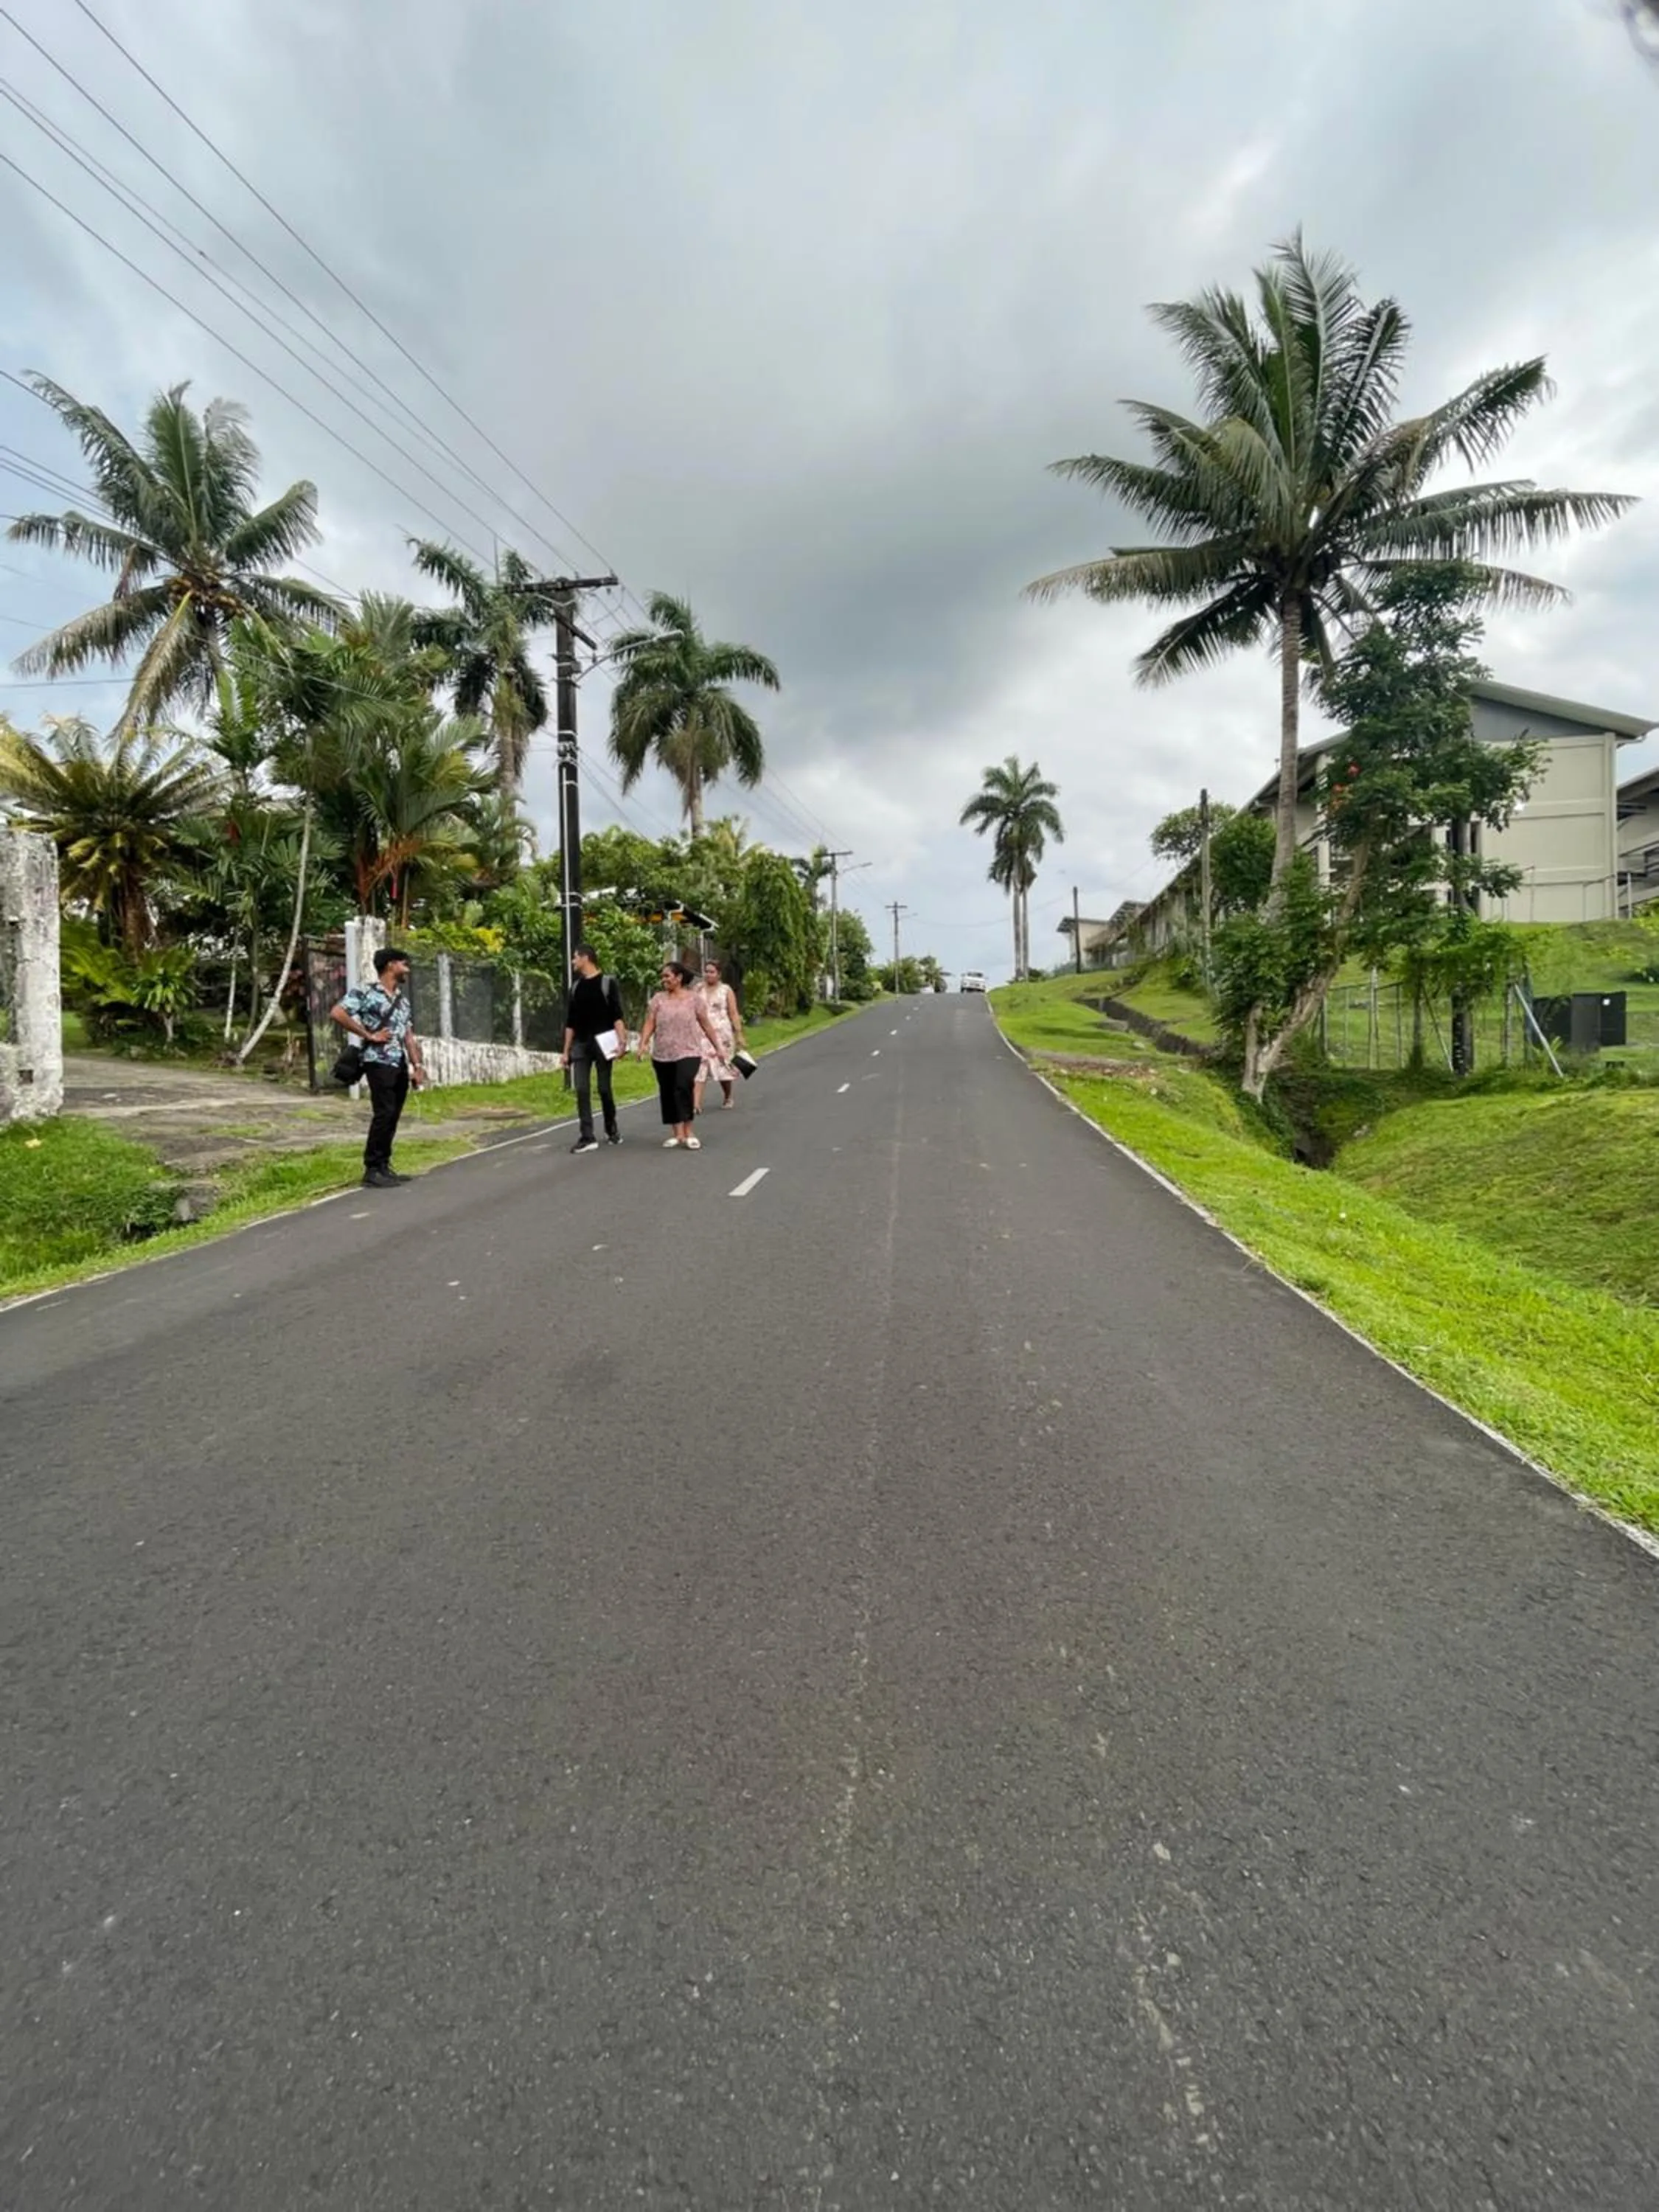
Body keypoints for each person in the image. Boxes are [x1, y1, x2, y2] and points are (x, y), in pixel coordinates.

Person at [330, 946, 425, 1189]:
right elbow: (338, 1013)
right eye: (403, 964)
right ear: (390, 965)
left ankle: (384, 1165)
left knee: (393, 1115)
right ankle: (372, 1168)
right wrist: (368, 1035)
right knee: (383, 1113)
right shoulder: (366, 993)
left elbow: (409, 1035)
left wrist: (417, 1065)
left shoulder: (402, 1001)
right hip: (378, 1061)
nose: (407, 969)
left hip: (399, 1062)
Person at [637, 959, 723, 1150]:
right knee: (667, 1091)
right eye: (663, 977)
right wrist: (643, 1043)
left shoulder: (694, 999)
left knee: (683, 1085)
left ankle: (688, 1130)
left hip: (689, 1051)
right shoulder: (658, 999)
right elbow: (650, 1022)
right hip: (662, 1053)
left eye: (667, 976)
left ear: (679, 977)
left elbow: (705, 1023)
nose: (664, 980)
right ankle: (676, 1133)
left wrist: (718, 1046)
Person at [559, 942, 628, 1153]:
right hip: (581, 1043)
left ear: (585, 958)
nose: (573, 962)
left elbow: (617, 1016)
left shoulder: (608, 983)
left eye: (575, 957)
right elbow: (570, 1022)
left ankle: (611, 1127)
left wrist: (622, 1042)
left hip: (604, 1042)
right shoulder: (576, 988)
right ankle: (587, 1136)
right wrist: (565, 1051)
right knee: (581, 1088)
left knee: (604, 1088)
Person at [693, 957, 748, 1114]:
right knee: (700, 1065)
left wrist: (739, 1034)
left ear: (719, 974)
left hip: (722, 1034)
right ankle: (696, 1104)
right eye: (706, 971)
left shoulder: (726, 990)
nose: (708, 975)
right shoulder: (698, 989)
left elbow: (733, 1013)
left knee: (723, 1067)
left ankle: (728, 1095)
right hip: (702, 1033)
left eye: (712, 972)